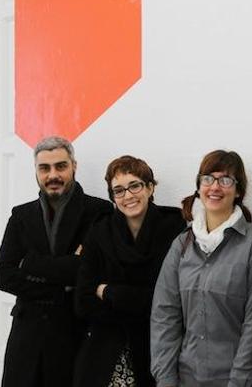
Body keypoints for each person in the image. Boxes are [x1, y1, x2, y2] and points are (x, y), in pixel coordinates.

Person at [0, 136, 113, 387]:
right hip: (26, 337)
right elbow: (4, 276)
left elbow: (87, 271)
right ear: (36, 171)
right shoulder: (21, 215)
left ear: (74, 166)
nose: (53, 175)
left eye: (60, 166)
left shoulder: (99, 211)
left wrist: (30, 264)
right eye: (44, 168)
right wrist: (63, 281)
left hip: (74, 334)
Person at [150, 150, 252, 386]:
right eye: (208, 178)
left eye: (225, 180)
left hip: (235, 379)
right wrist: (165, 380)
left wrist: (238, 382)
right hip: (185, 378)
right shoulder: (181, 245)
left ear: (238, 191)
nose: (215, 187)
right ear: (199, 186)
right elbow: (164, 317)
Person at [73, 155, 186, 387]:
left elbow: (171, 300)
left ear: (150, 187)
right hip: (105, 351)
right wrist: (139, 301)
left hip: (155, 349)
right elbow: (82, 302)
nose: (128, 196)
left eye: (135, 185)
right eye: (119, 190)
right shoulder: (99, 231)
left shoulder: (174, 227)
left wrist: (109, 291)